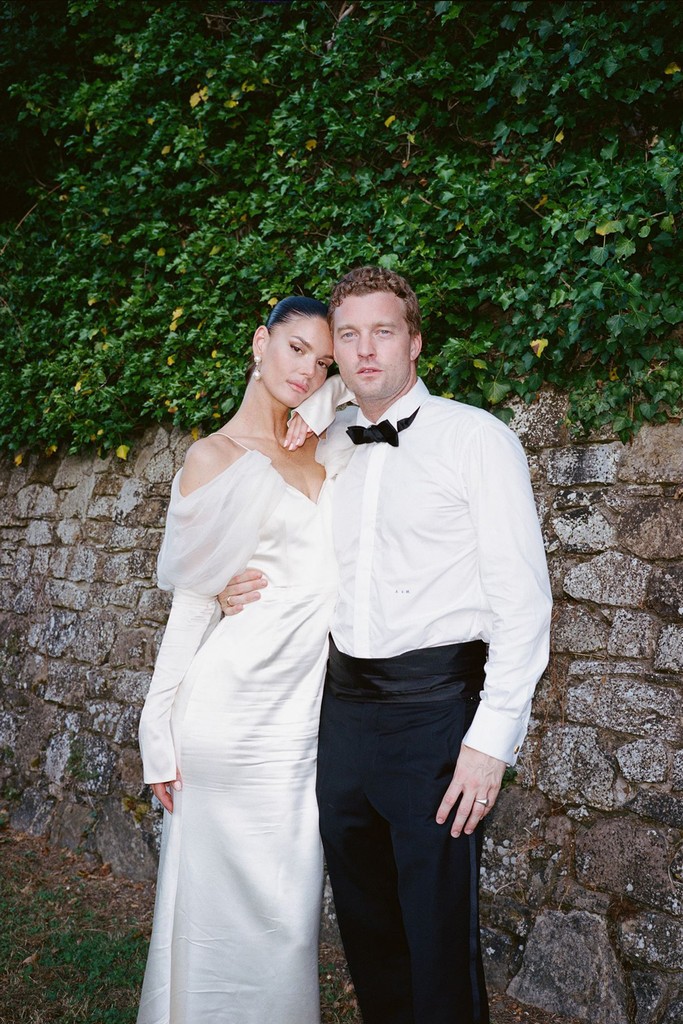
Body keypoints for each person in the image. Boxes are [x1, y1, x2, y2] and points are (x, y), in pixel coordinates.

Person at [221, 267, 552, 1024]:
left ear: (415, 341)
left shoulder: (477, 440)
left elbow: (524, 605)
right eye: (348, 335)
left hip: (436, 717)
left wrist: (488, 741)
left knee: (436, 935)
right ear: (334, 351)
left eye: (383, 331)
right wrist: (225, 584)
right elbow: (265, 535)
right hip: (342, 715)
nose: (365, 350)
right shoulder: (321, 443)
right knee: (366, 926)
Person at [137, 296, 337, 1024]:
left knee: (288, 919)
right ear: (260, 343)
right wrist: (155, 733)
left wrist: (328, 391)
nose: (306, 371)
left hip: (305, 723)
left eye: (323, 361)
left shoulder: (330, 441)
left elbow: (387, 384)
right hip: (229, 717)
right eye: (293, 350)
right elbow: (189, 610)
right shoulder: (210, 458)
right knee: (217, 914)